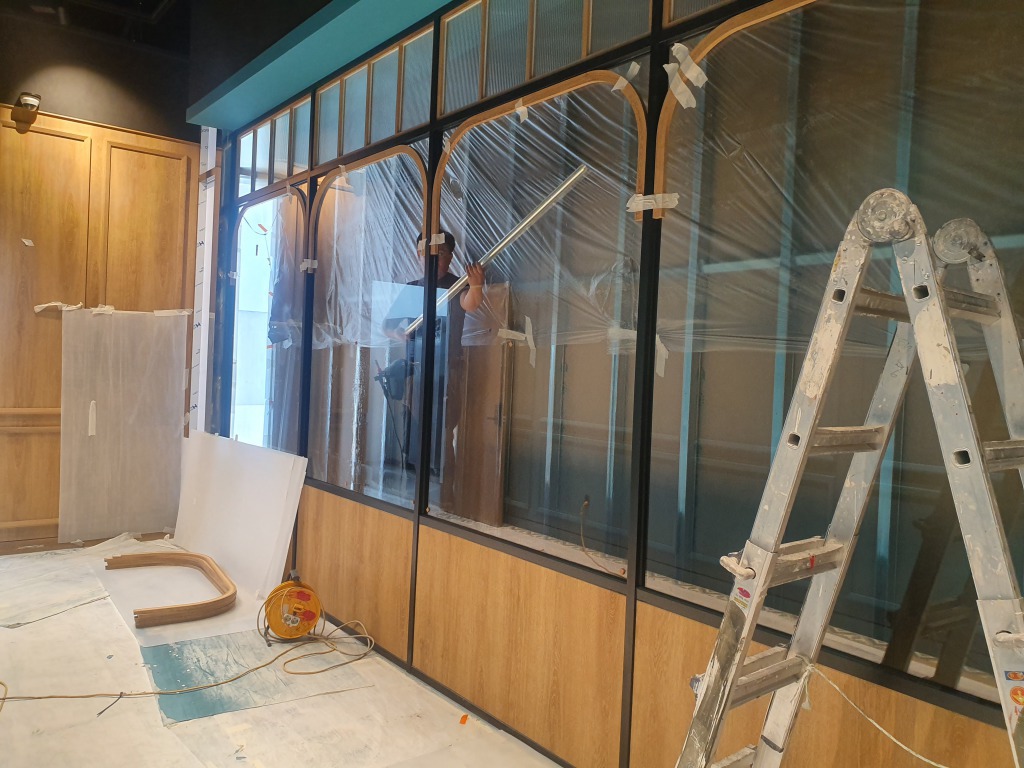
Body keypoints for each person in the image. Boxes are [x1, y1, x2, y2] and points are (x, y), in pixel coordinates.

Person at [381, 231, 485, 509]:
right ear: (419, 256)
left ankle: (446, 496)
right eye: (426, 254)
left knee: (443, 433)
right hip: (416, 373)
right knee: (416, 433)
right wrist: (400, 334)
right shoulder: (412, 288)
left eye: (440, 254)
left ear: (450, 257)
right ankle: (418, 495)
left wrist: (476, 286)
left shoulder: (456, 284)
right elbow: (387, 326)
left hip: (447, 373)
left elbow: (470, 303)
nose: (433, 259)